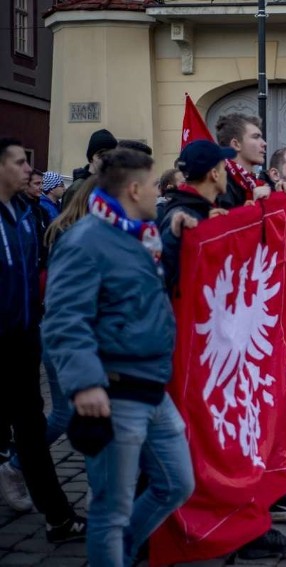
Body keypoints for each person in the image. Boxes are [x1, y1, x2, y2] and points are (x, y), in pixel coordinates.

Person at [42, 148, 195, 565]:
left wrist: (173, 239)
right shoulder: (85, 241)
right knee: (111, 510)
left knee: (177, 484)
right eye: (151, 185)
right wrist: (86, 383)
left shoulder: (137, 235)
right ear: (132, 188)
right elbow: (63, 319)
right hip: (113, 389)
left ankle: (120, 554)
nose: (159, 192)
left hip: (150, 387)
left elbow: (138, 291)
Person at [159, 140, 286, 555]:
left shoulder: (202, 211)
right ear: (215, 173)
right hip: (200, 360)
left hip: (233, 356)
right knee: (193, 452)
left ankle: (242, 524)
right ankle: (156, 534)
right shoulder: (179, 216)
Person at [0, 137, 87, 543]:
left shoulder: (27, 213)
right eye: (19, 163)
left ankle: (58, 517)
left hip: (23, 339)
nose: (28, 171)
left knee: (33, 431)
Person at [214, 113, 271, 209]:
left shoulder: (253, 182)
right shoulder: (221, 184)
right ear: (236, 144)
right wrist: (253, 206)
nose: (264, 143)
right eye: (256, 137)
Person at [62, 128, 118, 211]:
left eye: (111, 155)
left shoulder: (111, 185)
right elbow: (68, 222)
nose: (108, 160)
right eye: (102, 155)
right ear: (91, 158)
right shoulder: (78, 189)